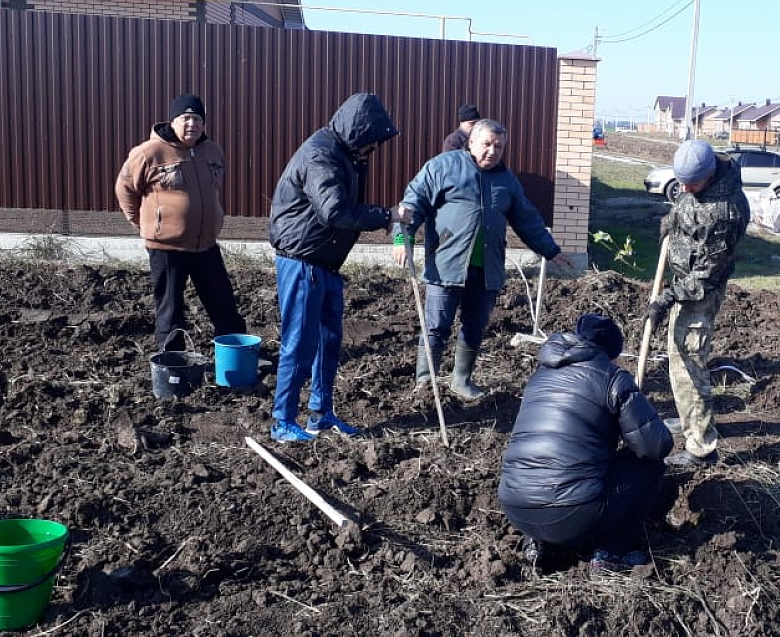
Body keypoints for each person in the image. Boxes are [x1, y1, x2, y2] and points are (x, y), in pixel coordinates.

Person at [394, 118, 574, 402]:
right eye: (488, 144)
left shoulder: (506, 180)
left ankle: (461, 380)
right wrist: (402, 238)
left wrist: (550, 249)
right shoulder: (443, 167)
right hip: (446, 265)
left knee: (475, 325)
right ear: (472, 142)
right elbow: (413, 202)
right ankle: (426, 384)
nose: (493, 151)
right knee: (436, 326)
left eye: (499, 146)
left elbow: (526, 218)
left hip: (486, 269)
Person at [266, 93, 402, 442]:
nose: (373, 149)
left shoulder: (349, 155)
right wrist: (385, 216)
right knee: (299, 343)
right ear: (356, 131)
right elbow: (335, 211)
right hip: (302, 260)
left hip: (325, 262)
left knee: (328, 340)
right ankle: (282, 422)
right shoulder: (321, 154)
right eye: (370, 141)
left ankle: (321, 414)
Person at [498, 314, 673, 575]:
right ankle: (611, 554)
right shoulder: (612, 378)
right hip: (573, 513)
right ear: (610, 352)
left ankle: (537, 543)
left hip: (515, 506)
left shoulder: (540, 376)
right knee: (649, 467)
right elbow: (656, 446)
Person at [645, 140, 750, 469]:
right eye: (681, 181)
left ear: (709, 175)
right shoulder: (693, 183)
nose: (685, 188)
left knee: (689, 366)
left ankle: (702, 448)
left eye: (692, 183)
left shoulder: (724, 212)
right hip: (682, 282)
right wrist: (670, 224)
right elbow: (683, 204)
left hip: (699, 295)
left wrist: (664, 300)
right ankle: (689, 418)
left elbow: (705, 275)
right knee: (678, 360)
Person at [115, 94, 247, 352]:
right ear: (173, 121)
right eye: (185, 118)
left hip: (206, 245)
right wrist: (141, 223)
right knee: (170, 308)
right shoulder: (148, 153)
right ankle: (172, 362)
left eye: (197, 118)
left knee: (223, 303)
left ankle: (238, 354)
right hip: (167, 248)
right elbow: (125, 189)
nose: (191, 124)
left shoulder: (212, 151)